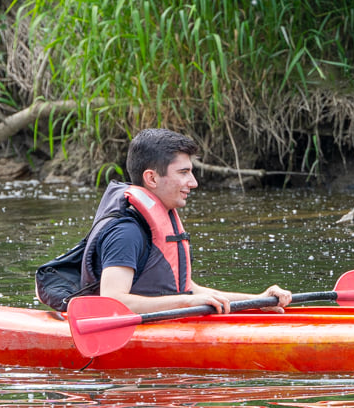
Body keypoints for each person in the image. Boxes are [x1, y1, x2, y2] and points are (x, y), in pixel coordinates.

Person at [80, 128, 292, 314]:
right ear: (152, 178)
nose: (193, 183)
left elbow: (188, 288)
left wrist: (257, 300)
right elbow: (112, 301)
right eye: (184, 173)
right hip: (129, 337)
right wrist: (188, 302)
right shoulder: (126, 232)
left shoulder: (153, 224)